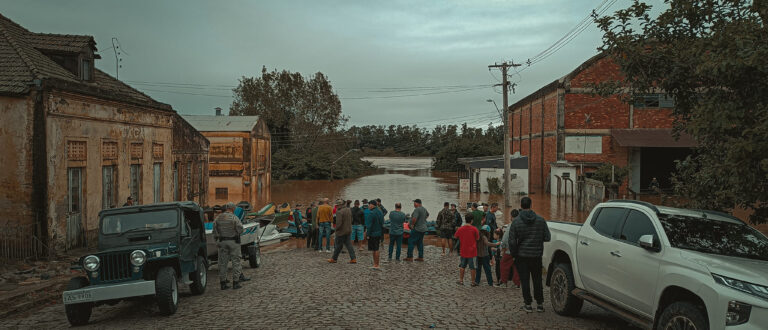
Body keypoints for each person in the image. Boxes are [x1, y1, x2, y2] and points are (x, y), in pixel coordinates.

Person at [509, 197, 551, 313]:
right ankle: (540, 304)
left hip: (521, 256)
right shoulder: (541, 220)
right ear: (531, 205)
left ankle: (527, 304)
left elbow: (512, 241)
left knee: (525, 280)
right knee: (537, 280)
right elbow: (547, 237)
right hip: (536, 255)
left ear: (521, 206)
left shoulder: (516, 222)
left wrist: (514, 254)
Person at [213, 203, 247, 290]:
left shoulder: (218, 218)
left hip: (222, 242)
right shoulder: (234, 217)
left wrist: (217, 240)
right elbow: (240, 229)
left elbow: (215, 231)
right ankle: (235, 282)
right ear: (233, 209)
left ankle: (223, 283)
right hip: (233, 242)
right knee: (236, 262)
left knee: (222, 263)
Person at [329, 200, 356, 264]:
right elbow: (352, 219)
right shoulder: (348, 210)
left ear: (340, 205)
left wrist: (336, 230)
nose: (336, 206)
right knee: (349, 245)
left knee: (338, 245)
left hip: (341, 231)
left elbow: (339, 223)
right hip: (348, 230)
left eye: (337, 205)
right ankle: (353, 258)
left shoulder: (339, 212)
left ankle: (334, 259)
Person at [499, 209, 521, 288]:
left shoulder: (511, 226)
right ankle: (517, 283)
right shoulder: (522, 225)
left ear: (511, 216)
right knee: (517, 266)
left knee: (504, 265)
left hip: (510, 250)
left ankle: (504, 282)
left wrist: (502, 247)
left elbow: (505, 239)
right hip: (519, 251)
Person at [454, 217, 479, 285]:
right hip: (472, 251)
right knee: (473, 267)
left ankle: (461, 280)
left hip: (463, 250)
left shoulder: (460, 229)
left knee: (462, 266)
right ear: (471, 220)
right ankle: (473, 282)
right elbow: (477, 238)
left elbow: (455, 236)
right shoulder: (474, 229)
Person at [365, 200, 384, 269]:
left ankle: (376, 264)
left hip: (373, 233)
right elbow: (382, 222)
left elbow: (369, 226)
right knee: (376, 248)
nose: (368, 206)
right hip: (379, 232)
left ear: (372, 205)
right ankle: (376, 264)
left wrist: (367, 234)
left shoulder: (371, 213)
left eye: (369, 205)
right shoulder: (380, 211)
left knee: (374, 249)